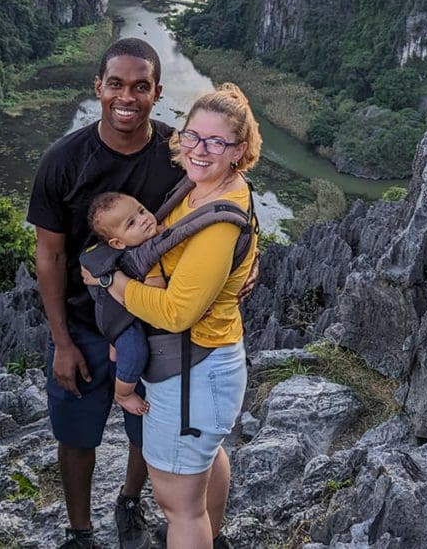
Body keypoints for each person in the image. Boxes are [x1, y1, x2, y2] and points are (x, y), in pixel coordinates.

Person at [83, 83, 261, 549]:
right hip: (203, 365)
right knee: (201, 465)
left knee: (177, 505)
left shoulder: (219, 220)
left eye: (216, 142)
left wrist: (108, 282)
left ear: (239, 150)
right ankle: (212, 536)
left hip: (192, 369)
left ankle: (198, 535)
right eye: (192, 136)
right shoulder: (203, 185)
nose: (199, 150)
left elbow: (177, 312)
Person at [28, 37, 184, 549]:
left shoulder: (176, 155)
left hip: (152, 321)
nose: (127, 96)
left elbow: (223, 196)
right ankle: (79, 532)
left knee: (148, 432)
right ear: (98, 87)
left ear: (157, 92)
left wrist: (244, 265)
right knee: (75, 434)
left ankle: (130, 501)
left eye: (141, 86)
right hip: (82, 323)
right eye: (115, 84)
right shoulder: (63, 161)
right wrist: (62, 343)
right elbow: (49, 256)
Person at [86, 192, 166, 417]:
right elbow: (154, 296)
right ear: (117, 242)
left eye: (141, 210)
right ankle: (123, 393)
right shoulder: (140, 256)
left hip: (115, 311)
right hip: (118, 316)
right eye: (131, 223)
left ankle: (115, 344)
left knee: (124, 338)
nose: (143, 219)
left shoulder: (141, 240)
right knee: (135, 351)